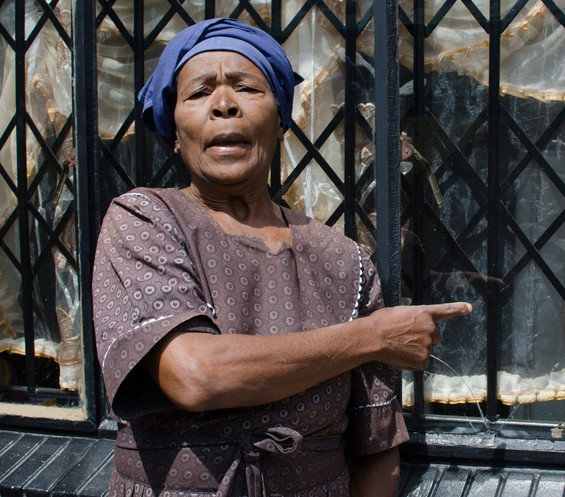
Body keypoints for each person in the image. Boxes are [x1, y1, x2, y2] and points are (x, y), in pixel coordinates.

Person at [93, 17, 472, 497]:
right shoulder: (145, 220)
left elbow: (376, 444)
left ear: (280, 121)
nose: (224, 104)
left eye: (247, 88)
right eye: (198, 92)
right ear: (173, 131)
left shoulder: (344, 261)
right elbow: (195, 375)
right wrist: (372, 335)